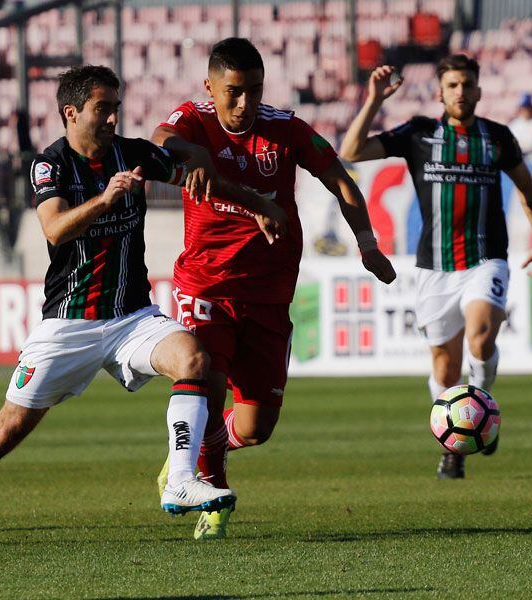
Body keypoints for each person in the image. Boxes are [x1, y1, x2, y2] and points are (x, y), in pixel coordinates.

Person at [0, 65, 284, 551]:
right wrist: (106, 198)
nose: (113, 118)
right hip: (68, 325)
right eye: (103, 108)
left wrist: (251, 200)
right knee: (5, 431)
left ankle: (181, 477)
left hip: (131, 318)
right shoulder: (49, 165)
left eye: (116, 107)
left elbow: (192, 169)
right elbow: (54, 229)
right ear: (71, 112)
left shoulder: (134, 155)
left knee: (194, 357)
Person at [151, 38, 397, 539]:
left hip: (269, 294)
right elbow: (161, 141)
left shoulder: (285, 129)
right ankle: (209, 490)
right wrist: (192, 154)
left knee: (254, 428)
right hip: (206, 285)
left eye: (254, 92)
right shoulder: (193, 120)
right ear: (210, 88)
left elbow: (341, 180)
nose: (244, 105)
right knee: (205, 379)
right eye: (234, 93)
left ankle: (193, 443)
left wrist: (367, 244)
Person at [340, 56, 532, 479]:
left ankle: (480, 405)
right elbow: (351, 151)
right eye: (452, 84)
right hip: (435, 268)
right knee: (444, 368)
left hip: (486, 258)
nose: (460, 92)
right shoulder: (419, 133)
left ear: (479, 90)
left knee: (482, 334)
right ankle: (457, 441)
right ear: (440, 91)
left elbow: (527, 188)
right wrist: (374, 100)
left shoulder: (498, 137)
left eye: (467, 84)